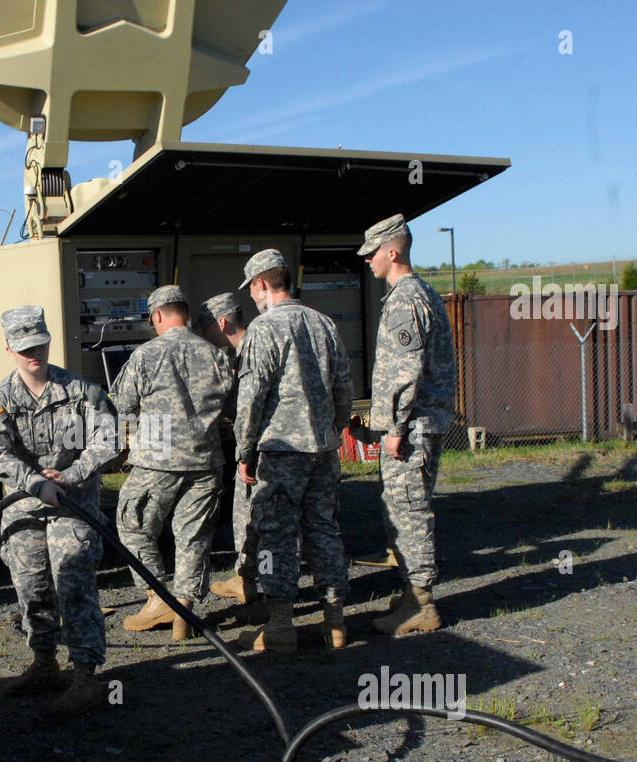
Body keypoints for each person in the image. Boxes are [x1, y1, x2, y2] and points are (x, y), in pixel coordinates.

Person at [0, 305, 119, 715]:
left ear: (48, 340)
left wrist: (72, 475)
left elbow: (107, 441)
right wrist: (34, 482)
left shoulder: (82, 392)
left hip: (73, 507)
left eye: (38, 344)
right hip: (23, 504)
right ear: (9, 349)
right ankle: (43, 662)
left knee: (73, 581)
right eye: (24, 348)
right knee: (30, 584)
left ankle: (85, 677)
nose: (33, 353)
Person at [233, 249, 353, 652]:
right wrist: (333, 428)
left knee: (277, 537)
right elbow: (343, 388)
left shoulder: (263, 330)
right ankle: (335, 621)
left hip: (282, 451)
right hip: (323, 448)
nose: (252, 298)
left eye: (252, 290)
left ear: (261, 284)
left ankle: (281, 625)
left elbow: (251, 397)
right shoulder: (325, 324)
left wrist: (244, 450)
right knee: (324, 529)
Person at [351, 214, 455, 635]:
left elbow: (404, 370)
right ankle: (411, 594)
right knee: (407, 506)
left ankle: (421, 604)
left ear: (392, 252)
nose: (368, 262)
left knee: (408, 511)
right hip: (420, 422)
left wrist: (393, 429)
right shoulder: (424, 293)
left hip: (411, 428)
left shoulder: (405, 299)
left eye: (372, 253)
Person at [112, 285, 233, 640]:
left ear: (158, 316)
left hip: (157, 459)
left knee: (133, 526)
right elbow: (233, 406)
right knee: (193, 535)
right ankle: (185, 611)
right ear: (187, 314)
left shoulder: (145, 355)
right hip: (206, 459)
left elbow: (124, 406)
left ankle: (157, 599)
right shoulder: (216, 355)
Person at [194, 292, 261, 606]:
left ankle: (256, 588)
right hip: (269, 447)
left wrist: (244, 455)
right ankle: (249, 579)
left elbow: (246, 409)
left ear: (221, 323)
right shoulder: (242, 352)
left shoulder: (249, 353)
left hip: (256, 451)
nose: (203, 336)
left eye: (206, 328)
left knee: (251, 522)